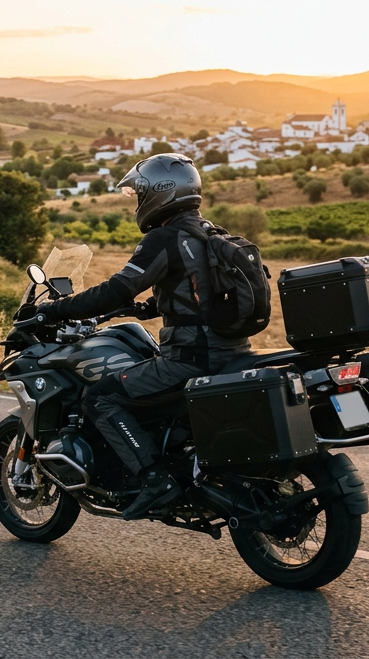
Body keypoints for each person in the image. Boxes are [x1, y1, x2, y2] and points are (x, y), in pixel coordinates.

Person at [38, 153, 250, 520]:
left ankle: (155, 479)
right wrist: (144, 309)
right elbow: (197, 295)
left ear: (159, 193)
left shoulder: (164, 238)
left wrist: (58, 308)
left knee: (100, 396)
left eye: (139, 193)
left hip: (190, 359)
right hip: (232, 352)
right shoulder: (211, 233)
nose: (137, 201)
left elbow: (117, 288)